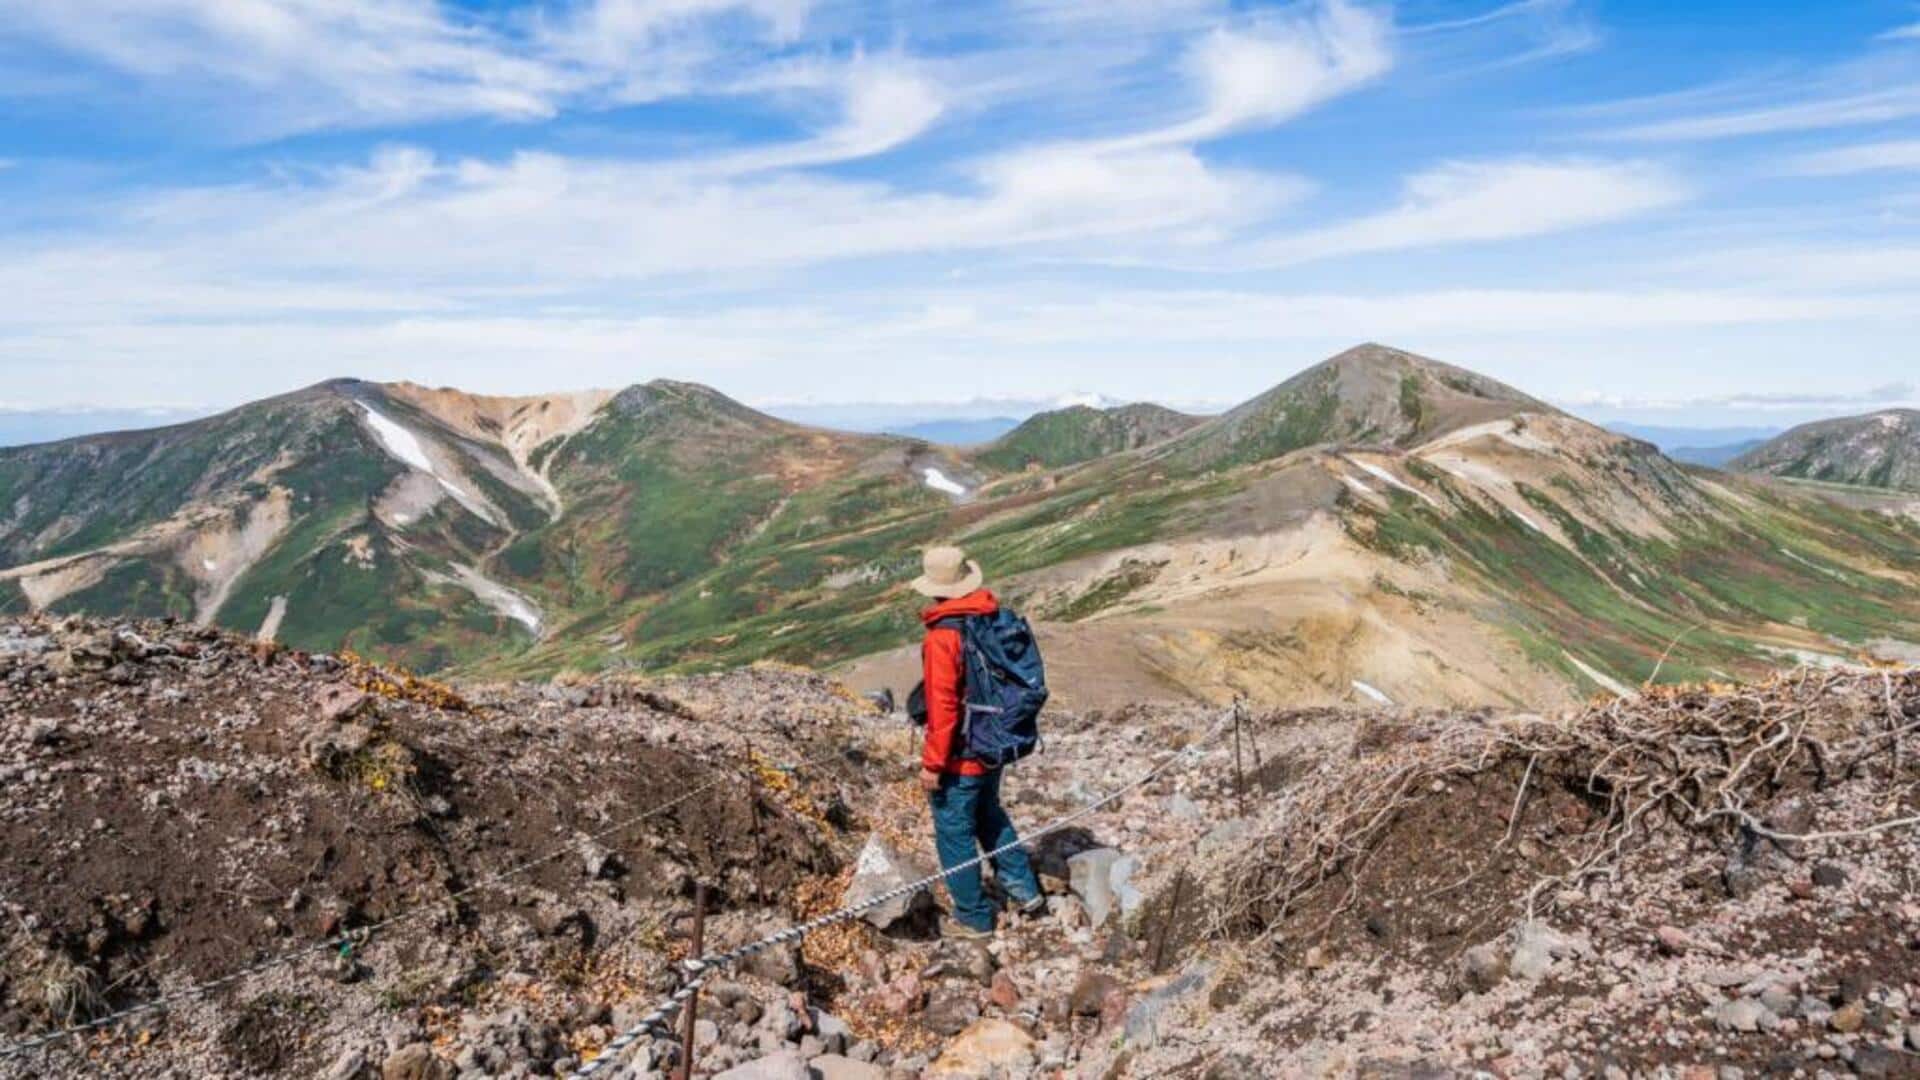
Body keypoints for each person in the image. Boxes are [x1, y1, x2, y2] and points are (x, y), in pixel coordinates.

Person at [910, 544, 1046, 938]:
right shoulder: (990, 617)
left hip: (962, 754)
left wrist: (933, 764)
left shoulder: (943, 636)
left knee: (954, 834)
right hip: (994, 742)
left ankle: (973, 918)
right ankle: (1026, 891)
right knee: (989, 814)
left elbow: (943, 708)